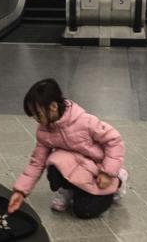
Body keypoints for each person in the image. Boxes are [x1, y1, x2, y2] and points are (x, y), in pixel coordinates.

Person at [8, 79, 128, 219]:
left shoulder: (85, 121)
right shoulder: (44, 131)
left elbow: (114, 140)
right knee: (53, 162)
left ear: (53, 106)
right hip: (75, 166)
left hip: (97, 169)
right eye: (32, 115)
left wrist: (108, 173)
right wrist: (20, 192)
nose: (35, 119)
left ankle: (119, 179)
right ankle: (68, 190)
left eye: (38, 114)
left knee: (84, 211)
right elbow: (37, 162)